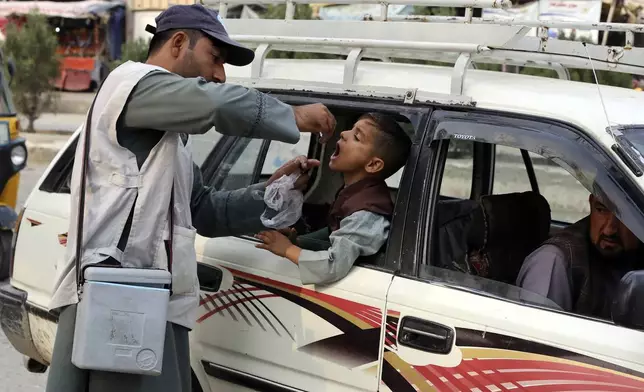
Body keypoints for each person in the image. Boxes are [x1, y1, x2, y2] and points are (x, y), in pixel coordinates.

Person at [45, 4, 335, 392]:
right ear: (179, 43)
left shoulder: (169, 137)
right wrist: (293, 116)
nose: (219, 74)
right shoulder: (131, 84)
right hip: (117, 298)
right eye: (215, 58)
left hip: (148, 302)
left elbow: (202, 210)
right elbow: (214, 103)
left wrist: (272, 194)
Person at [255, 113, 411, 284]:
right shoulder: (354, 193)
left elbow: (333, 265)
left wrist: (288, 249)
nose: (344, 133)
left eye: (356, 137)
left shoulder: (366, 213)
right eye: (350, 129)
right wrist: (297, 241)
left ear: (373, 165)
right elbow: (335, 232)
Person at [517, 193, 644, 319]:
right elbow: (539, 333)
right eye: (601, 210)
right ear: (591, 203)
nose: (609, 230)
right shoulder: (553, 262)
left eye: (625, 216)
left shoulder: (629, 255)